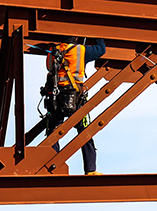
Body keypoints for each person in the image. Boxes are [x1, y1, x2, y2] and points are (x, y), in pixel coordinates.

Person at [39, 37, 106, 174]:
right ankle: (90, 170)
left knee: (52, 132)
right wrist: (99, 36)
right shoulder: (81, 50)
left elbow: (49, 68)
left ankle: (51, 168)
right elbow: (101, 50)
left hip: (55, 99)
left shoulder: (52, 51)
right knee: (85, 132)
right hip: (75, 100)